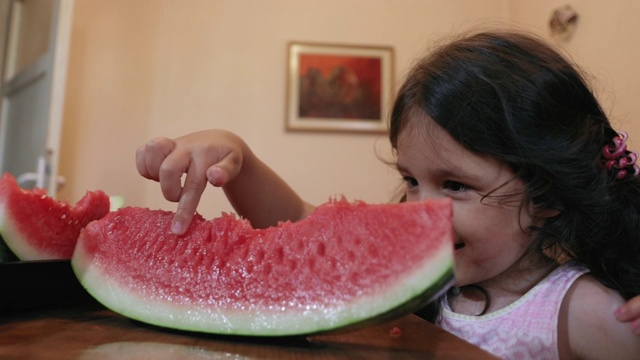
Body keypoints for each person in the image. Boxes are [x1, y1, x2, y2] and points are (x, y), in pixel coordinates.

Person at [136, 30, 640, 358]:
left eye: (456, 185)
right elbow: (297, 221)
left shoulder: (582, 312)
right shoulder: (437, 278)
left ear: (546, 194)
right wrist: (238, 158)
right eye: (411, 180)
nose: (421, 209)